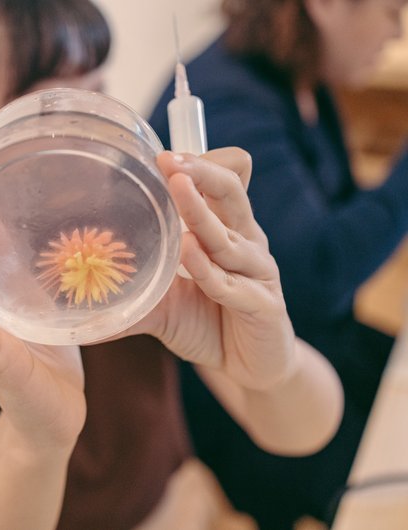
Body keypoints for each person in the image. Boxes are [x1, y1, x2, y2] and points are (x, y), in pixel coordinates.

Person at [0, 1, 344, 529]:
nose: (97, 130)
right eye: (49, 107)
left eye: (96, 91)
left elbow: (304, 430)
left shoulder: (125, 267)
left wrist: (267, 357)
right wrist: (34, 437)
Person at [148, 0, 408, 528]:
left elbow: (330, 228)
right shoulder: (228, 102)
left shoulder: (296, 79)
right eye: (391, 11)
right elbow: (316, 280)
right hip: (237, 403)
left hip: (308, 348)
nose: (397, 33)